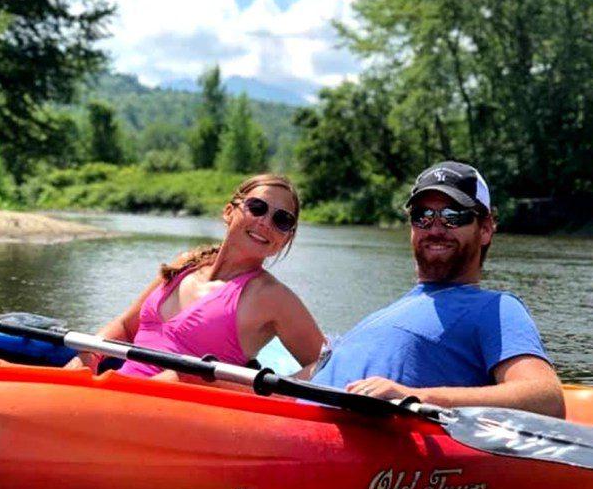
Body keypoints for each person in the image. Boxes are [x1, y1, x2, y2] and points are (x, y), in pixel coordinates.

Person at [308, 161, 565, 417]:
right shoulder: (393, 310)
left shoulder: (496, 308)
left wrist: (413, 396)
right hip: (292, 414)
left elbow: (546, 398)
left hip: (339, 436)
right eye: (423, 216)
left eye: (453, 217)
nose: (436, 229)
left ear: (485, 229)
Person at [68, 173, 325, 378]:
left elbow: (328, 364)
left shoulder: (271, 297)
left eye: (282, 220)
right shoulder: (187, 264)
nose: (265, 222)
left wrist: (263, 389)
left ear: (285, 239)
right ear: (229, 212)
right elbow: (125, 327)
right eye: (257, 207)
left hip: (176, 416)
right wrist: (89, 355)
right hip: (116, 395)